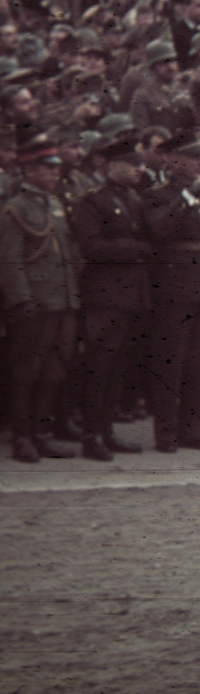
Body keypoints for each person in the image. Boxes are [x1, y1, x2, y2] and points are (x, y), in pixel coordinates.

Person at [143, 131, 200, 452]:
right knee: (170, 362)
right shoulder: (158, 195)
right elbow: (160, 229)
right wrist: (189, 198)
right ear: (173, 160)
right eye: (193, 158)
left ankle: (194, 430)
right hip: (175, 287)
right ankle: (166, 433)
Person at [68, 132, 151, 461]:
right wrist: (136, 249)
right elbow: (91, 246)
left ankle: (107, 431)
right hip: (105, 294)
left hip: (131, 294)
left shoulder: (132, 199)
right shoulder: (93, 201)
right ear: (114, 166)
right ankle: (92, 435)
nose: (138, 171)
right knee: (100, 366)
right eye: (132, 166)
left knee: (117, 367)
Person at [1, 134, 82, 462]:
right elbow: (10, 259)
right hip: (35, 302)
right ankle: (23, 438)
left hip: (63, 300)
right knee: (26, 372)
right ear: (29, 169)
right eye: (48, 169)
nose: (55, 175)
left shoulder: (55, 204)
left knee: (54, 371)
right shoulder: (14, 209)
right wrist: (21, 300)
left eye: (56, 169)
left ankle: (42, 432)